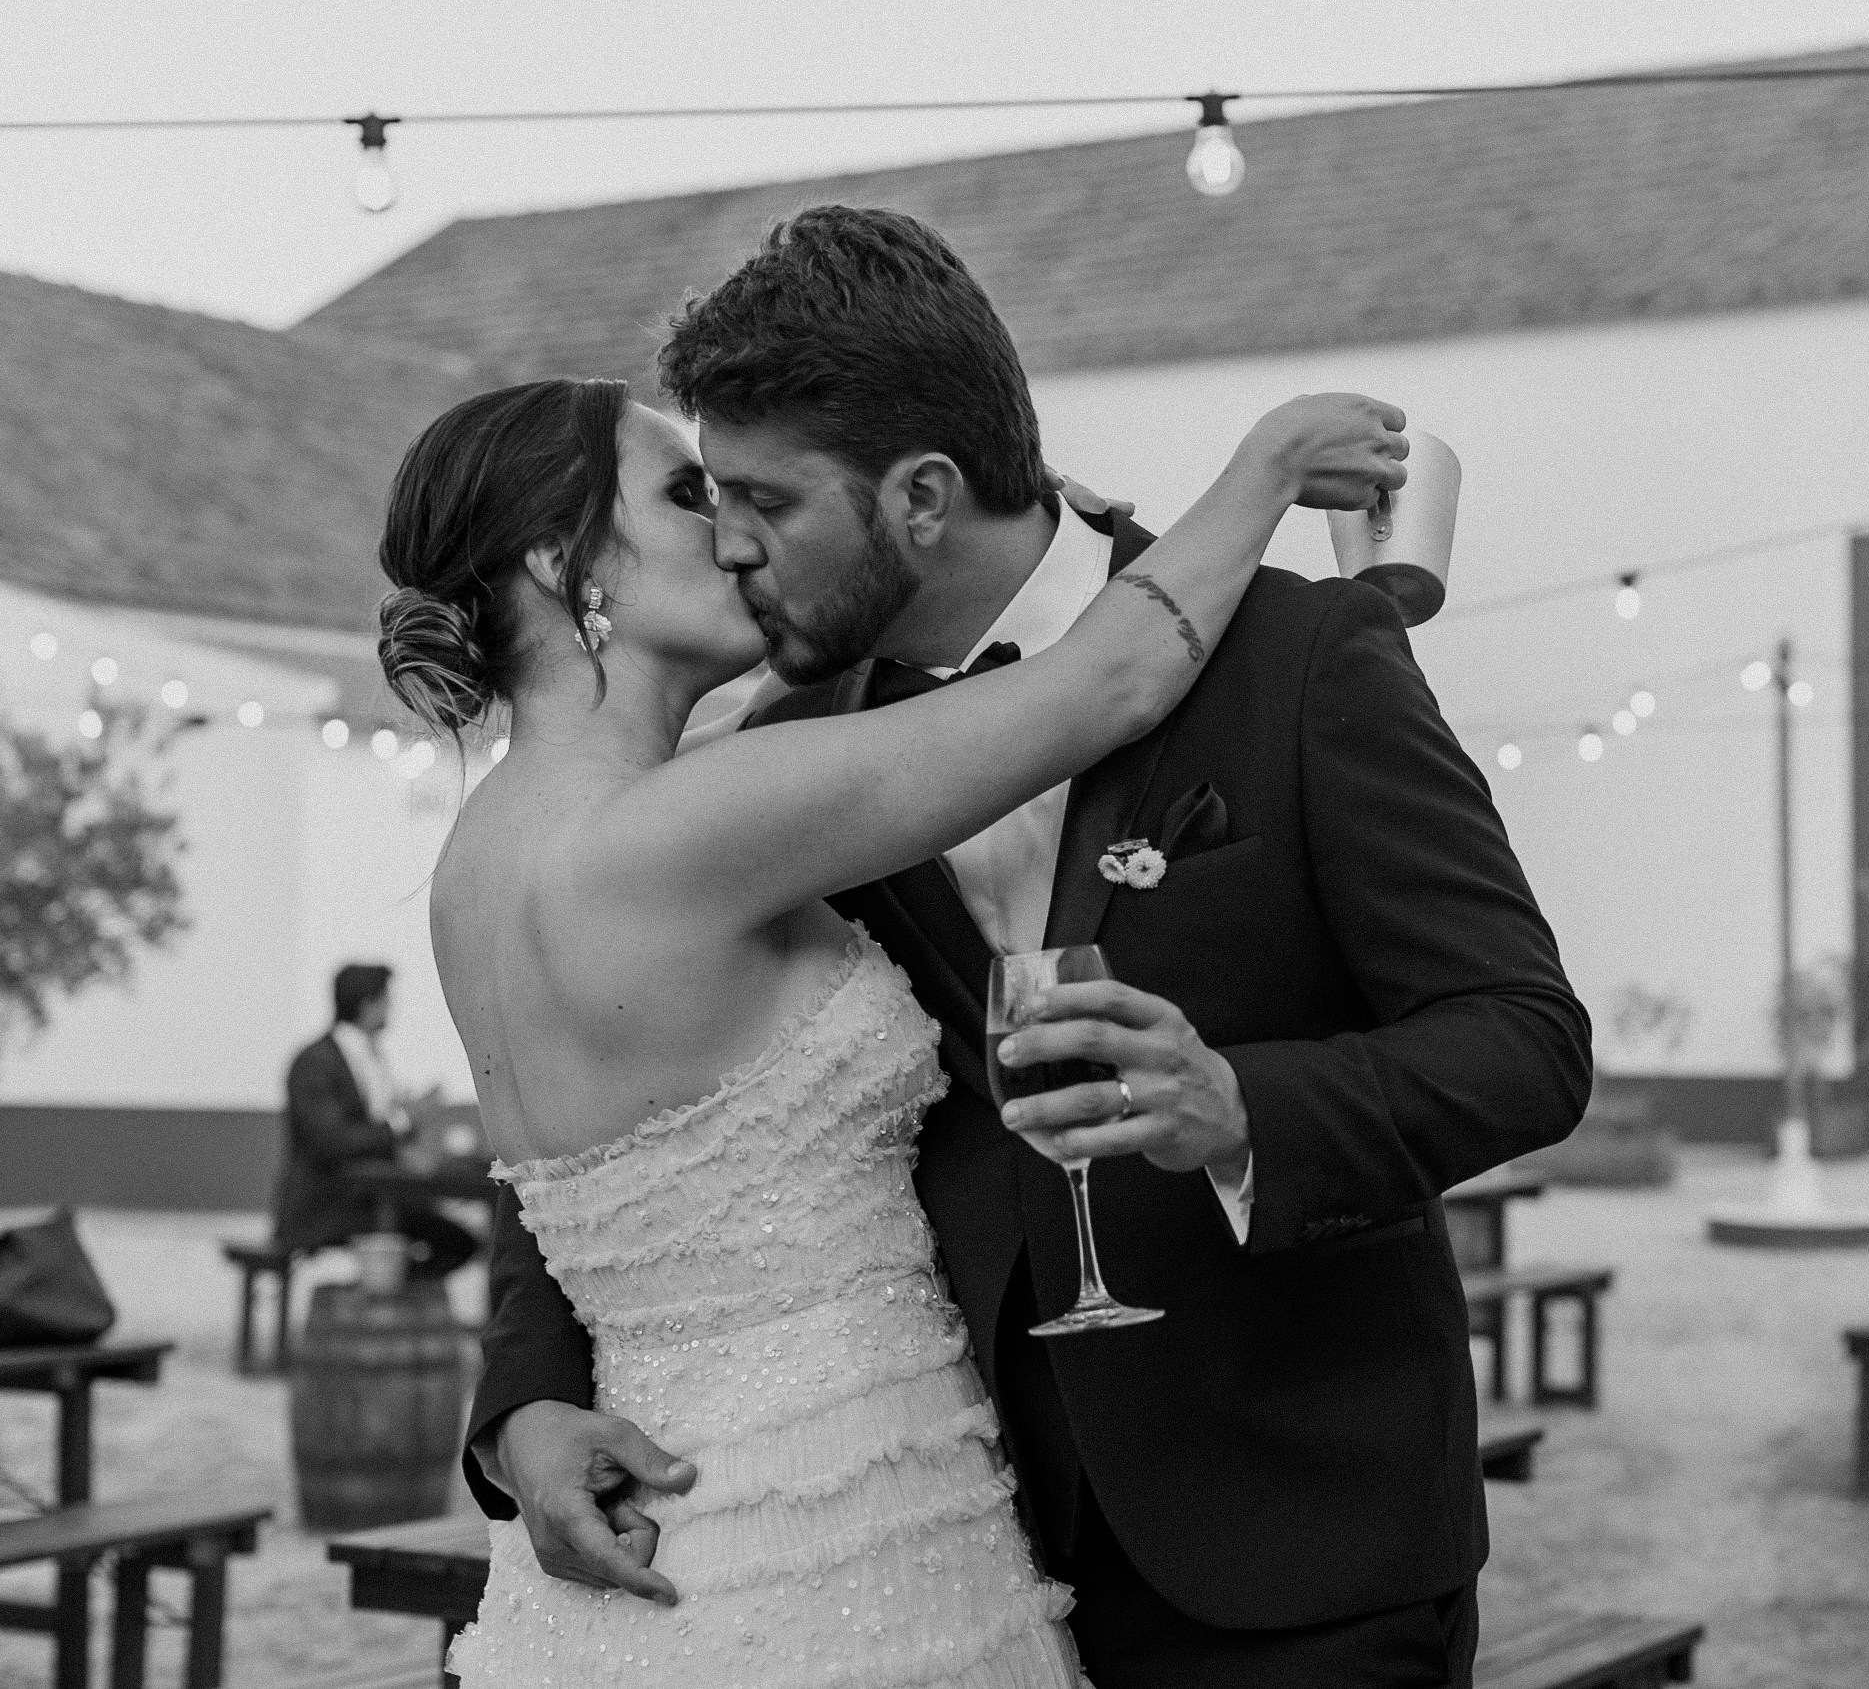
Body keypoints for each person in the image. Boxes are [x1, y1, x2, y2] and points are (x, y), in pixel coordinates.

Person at [463, 208, 1591, 1689]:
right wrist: (526, 1400)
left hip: (1295, 1545)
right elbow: (617, 1112)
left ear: (921, 495)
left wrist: (1241, 1110)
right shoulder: (781, 749)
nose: (731, 544)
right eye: (709, 496)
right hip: (934, 1547)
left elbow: (1523, 1037)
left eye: (766, 500)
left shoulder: (1299, 658)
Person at [271, 963, 476, 1280]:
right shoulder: (315, 1062)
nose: (390, 1010)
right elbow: (332, 1142)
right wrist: (404, 1120)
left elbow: (375, 1127)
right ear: (368, 1004)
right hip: (329, 1204)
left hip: (373, 1196)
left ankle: (399, 1297)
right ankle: (389, 1299)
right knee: (448, 1240)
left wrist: (407, 1121)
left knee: (458, 1241)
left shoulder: (368, 1056)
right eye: (386, 1002)